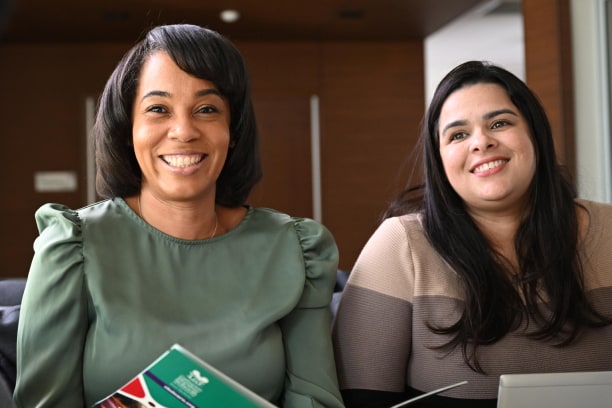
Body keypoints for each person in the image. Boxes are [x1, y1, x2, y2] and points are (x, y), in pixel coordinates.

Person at [14, 24, 344, 408]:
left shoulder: (296, 249)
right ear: (128, 130)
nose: (184, 131)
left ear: (232, 130)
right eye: (158, 109)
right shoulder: (72, 246)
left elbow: (315, 399)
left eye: (207, 109)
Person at [331, 60, 612, 407]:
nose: (481, 142)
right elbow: (359, 401)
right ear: (440, 159)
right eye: (458, 135)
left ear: (535, 135)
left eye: (500, 123)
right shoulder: (401, 245)